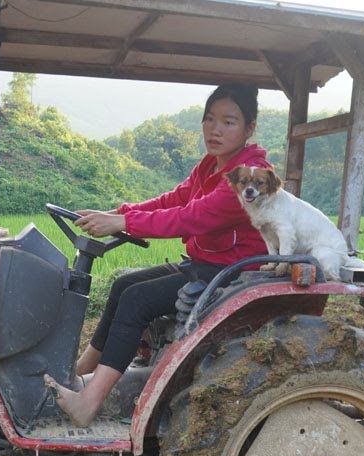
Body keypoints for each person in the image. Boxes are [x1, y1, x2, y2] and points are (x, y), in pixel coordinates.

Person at [45, 83, 272, 427]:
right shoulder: (210, 165)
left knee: (137, 301)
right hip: (203, 264)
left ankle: (89, 403)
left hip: (231, 272)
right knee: (124, 285)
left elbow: (190, 217)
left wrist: (124, 221)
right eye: (209, 119)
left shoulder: (246, 178)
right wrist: (116, 213)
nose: (215, 129)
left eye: (229, 121)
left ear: (249, 128)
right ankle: (80, 373)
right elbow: (174, 200)